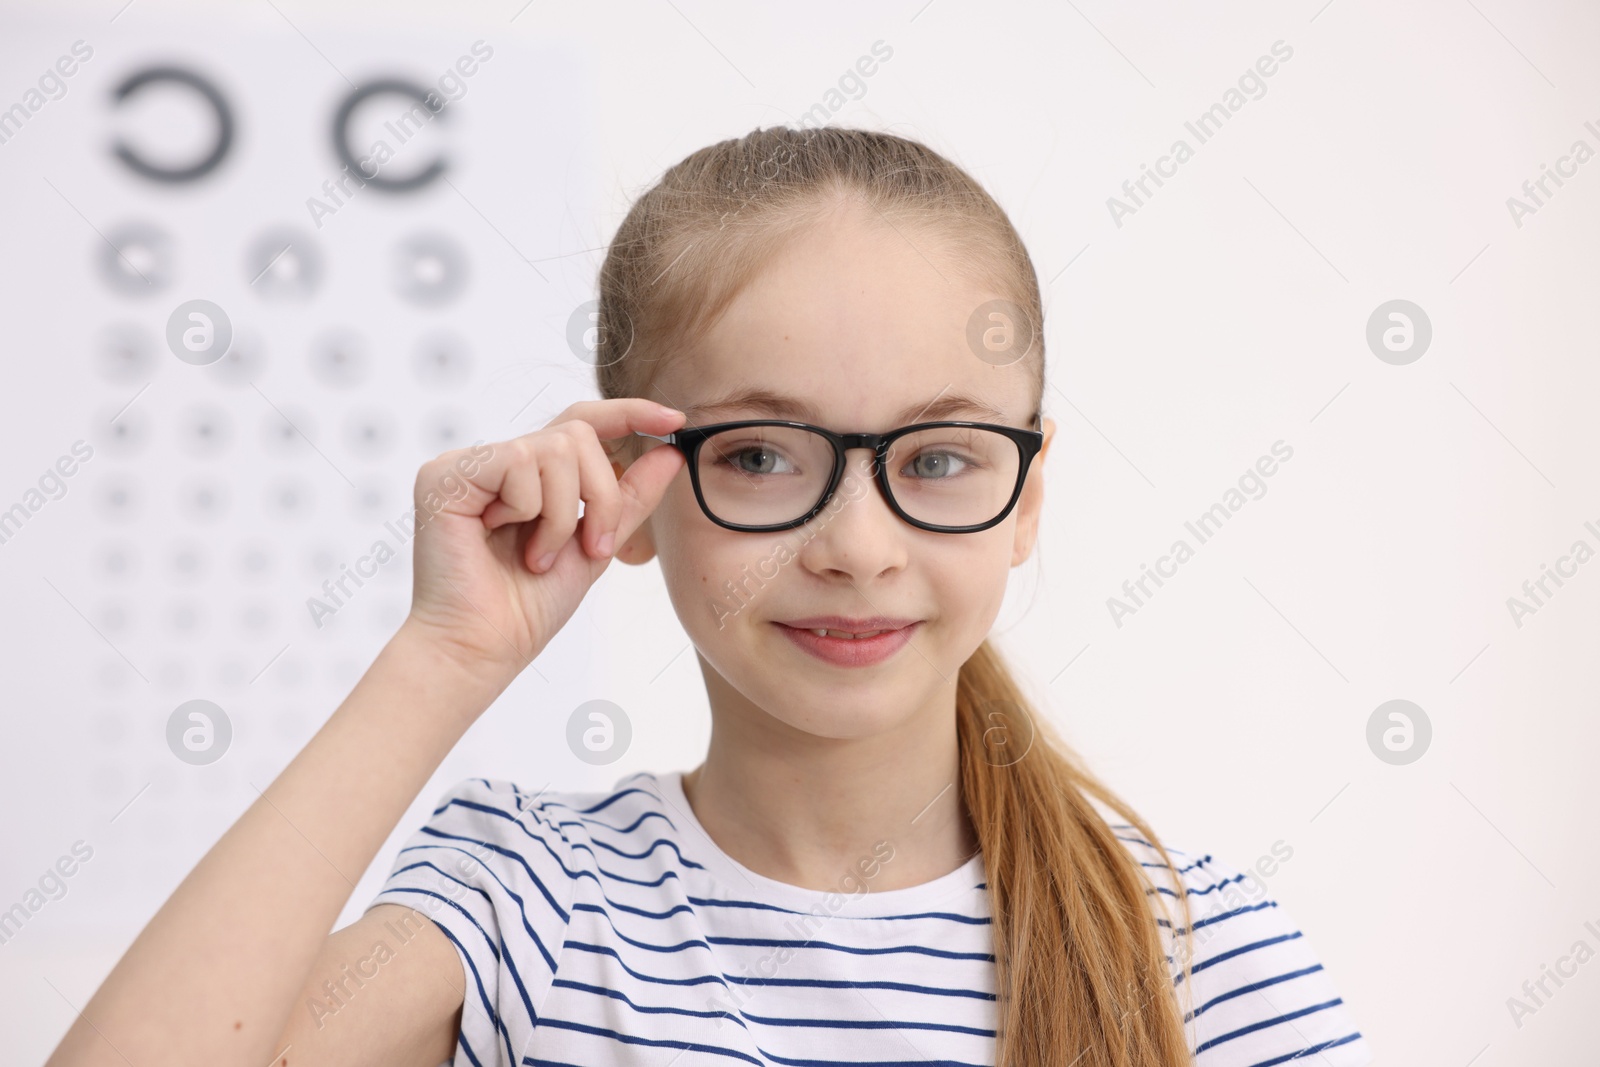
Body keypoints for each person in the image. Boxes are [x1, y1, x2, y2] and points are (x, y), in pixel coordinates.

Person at [46, 125, 1373, 1067]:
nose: (858, 543)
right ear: (631, 483)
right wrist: (446, 655)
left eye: (942, 457)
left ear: (1026, 496)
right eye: (756, 455)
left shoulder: (1197, 955)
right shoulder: (529, 906)